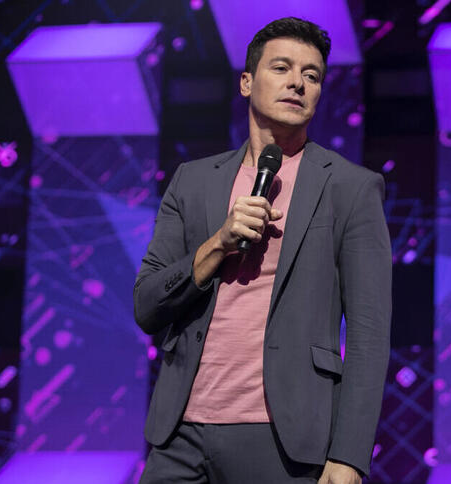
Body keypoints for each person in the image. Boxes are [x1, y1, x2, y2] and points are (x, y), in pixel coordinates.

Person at [134, 17, 391, 484]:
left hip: (283, 437)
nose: (297, 82)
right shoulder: (193, 181)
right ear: (247, 82)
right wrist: (217, 244)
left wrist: (350, 455)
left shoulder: (351, 188)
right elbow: (147, 305)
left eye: (312, 75)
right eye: (282, 68)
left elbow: (370, 334)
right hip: (180, 434)